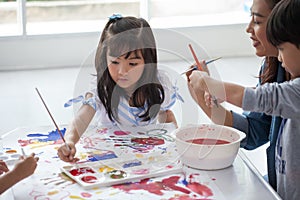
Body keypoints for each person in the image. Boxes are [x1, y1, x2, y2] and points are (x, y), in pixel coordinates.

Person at [188, 0, 300, 198]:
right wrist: (203, 95)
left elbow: (253, 98)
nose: (248, 28)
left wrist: (209, 83)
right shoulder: (272, 68)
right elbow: (252, 132)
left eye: (257, 21)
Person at [58, 15, 181, 163]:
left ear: (148, 61)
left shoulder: (160, 85)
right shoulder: (101, 87)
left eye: (133, 64)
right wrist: (70, 140)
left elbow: (166, 114)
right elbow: (81, 118)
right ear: (105, 58)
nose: (122, 71)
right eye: (115, 62)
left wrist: (175, 141)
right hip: (109, 156)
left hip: (145, 156)